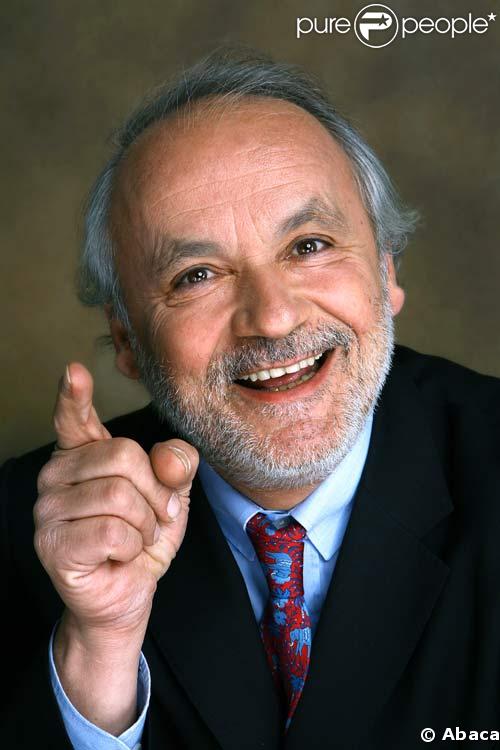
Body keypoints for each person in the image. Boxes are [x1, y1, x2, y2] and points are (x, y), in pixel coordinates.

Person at [2, 48, 500, 750]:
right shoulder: (25, 532)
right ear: (125, 338)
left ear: (385, 270)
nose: (272, 317)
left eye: (310, 245)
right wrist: (97, 649)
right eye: (197, 275)